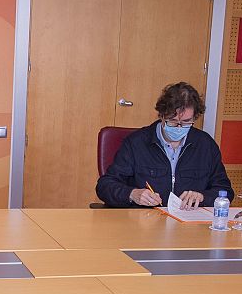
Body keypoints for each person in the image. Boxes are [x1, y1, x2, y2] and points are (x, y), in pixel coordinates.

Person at [96, 82, 233, 209]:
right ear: (161, 116)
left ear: (195, 118)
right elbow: (105, 186)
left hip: (189, 225)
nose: (179, 127)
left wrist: (203, 197)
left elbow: (225, 191)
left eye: (186, 122)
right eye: (172, 122)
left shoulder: (205, 145)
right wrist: (132, 194)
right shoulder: (136, 143)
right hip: (144, 224)